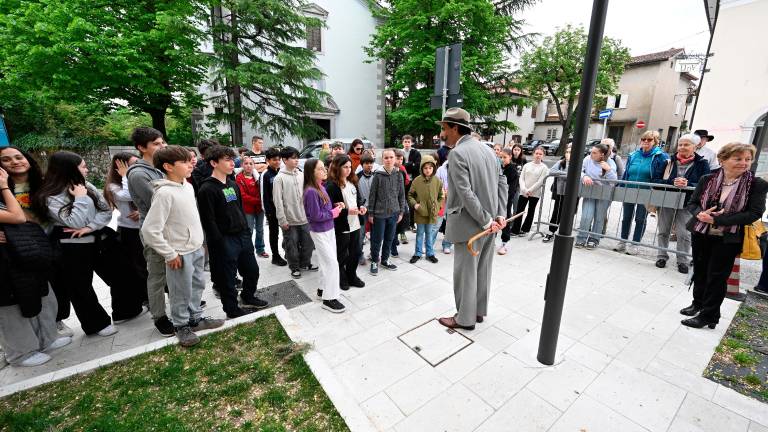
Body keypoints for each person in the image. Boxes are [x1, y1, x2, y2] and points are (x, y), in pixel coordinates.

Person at [37, 152, 147, 336]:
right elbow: (74, 221)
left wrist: (90, 226)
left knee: (124, 272)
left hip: (100, 238)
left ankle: (126, 311)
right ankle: (97, 324)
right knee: (80, 287)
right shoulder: (50, 196)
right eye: (83, 167)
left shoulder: (86, 185)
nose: (86, 170)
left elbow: (105, 211)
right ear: (69, 169)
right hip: (71, 246)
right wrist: (80, 198)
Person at [141, 146, 224, 346]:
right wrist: (169, 254)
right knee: (180, 291)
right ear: (168, 167)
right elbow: (150, 230)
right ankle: (181, 325)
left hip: (195, 249)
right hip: (179, 254)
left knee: (197, 286)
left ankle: (195, 318)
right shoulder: (164, 193)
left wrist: (200, 242)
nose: (191, 164)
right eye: (185, 162)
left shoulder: (186, 186)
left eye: (190, 160)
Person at [681, 142, 768, 329]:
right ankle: (698, 303)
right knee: (701, 270)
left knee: (717, 276)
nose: (744, 163)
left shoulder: (756, 184)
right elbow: (692, 203)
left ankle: (709, 315)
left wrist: (718, 221)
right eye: (738, 158)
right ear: (722, 160)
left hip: (729, 238)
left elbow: (754, 213)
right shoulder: (708, 179)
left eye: (748, 159)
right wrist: (700, 215)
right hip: (701, 232)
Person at [436, 107, 507, 331]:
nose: (442, 133)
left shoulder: (457, 153)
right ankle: (477, 311)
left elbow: (465, 193)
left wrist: (487, 220)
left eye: (444, 128)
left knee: (466, 274)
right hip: (490, 224)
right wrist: (499, 215)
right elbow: (501, 183)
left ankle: (465, 319)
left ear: (455, 128)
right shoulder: (488, 151)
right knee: (482, 270)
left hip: (472, 225)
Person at [0, 166, 71, 367]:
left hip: (21, 254)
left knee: (41, 295)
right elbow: (18, 217)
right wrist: (5, 187)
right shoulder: (4, 191)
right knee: (10, 308)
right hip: (5, 264)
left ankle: (46, 340)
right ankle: (20, 354)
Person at [197, 146, 269, 319]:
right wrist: (219, 242)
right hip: (224, 239)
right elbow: (209, 221)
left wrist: (245, 231)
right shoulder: (207, 189)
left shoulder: (232, 184)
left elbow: (239, 209)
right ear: (214, 163)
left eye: (232, 159)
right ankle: (231, 309)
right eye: (227, 160)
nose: (232, 163)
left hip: (242, 235)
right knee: (227, 278)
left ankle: (248, 296)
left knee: (252, 270)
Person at [126, 127, 174, 336]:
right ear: (141, 147)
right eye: (156, 143)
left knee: (175, 272)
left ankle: (180, 308)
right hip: (155, 231)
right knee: (157, 276)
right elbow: (159, 201)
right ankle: (160, 317)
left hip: (171, 228)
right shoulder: (138, 174)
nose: (162, 146)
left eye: (162, 142)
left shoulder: (158, 168)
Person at [655, 134, 710, 273]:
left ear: (695, 146)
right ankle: (661, 256)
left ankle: (682, 260)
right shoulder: (668, 161)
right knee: (663, 231)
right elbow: (655, 181)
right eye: (680, 144)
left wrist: (689, 184)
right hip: (667, 200)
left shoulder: (702, 163)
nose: (682, 147)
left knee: (684, 233)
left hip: (688, 202)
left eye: (686, 144)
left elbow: (707, 184)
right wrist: (671, 183)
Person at [615, 131, 670, 255]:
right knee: (626, 217)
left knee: (640, 218)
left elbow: (661, 175)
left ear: (655, 142)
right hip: (630, 189)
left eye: (649, 140)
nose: (645, 142)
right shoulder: (633, 154)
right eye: (643, 139)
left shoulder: (660, 156)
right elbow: (627, 173)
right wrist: (622, 187)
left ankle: (635, 244)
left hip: (646, 192)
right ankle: (622, 241)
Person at [303, 158, 346, 313]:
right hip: (320, 231)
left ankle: (322, 290)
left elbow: (323, 208)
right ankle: (330, 299)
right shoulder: (310, 191)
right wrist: (333, 213)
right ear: (311, 172)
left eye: (324, 167)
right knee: (332, 264)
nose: (325, 170)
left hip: (328, 229)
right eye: (320, 168)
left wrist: (335, 206)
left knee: (325, 262)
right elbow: (315, 216)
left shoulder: (320, 186)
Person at [104, 152, 147, 306]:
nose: (136, 167)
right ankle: (146, 298)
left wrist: (141, 212)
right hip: (129, 231)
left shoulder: (141, 178)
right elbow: (128, 195)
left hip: (145, 226)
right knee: (139, 265)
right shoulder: (113, 186)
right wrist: (125, 175)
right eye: (132, 164)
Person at [273, 146, 317, 279]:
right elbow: (277, 201)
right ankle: (295, 267)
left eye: (297, 157)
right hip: (289, 220)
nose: (296, 160)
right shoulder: (279, 178)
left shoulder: (301, 174)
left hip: (304, 217)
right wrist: (282, 220)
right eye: (293, 158)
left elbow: (308, 195)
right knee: (291, 245)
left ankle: (305, 263)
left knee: (308, 244)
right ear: (284, 160)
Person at [326, 155, 366, 290]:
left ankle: (352, 276)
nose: (348, 170)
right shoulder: (331, 186)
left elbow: (359, 198)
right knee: (342, 254)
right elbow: (330, 209)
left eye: (350, 167)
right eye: (345, 167)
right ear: (337, 168)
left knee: (355, 252)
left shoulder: (353, 181)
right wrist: (347, 211)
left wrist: (361, 206)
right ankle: (341, 277)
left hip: (355, 223)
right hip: (342, 225)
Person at [367, 148, 408, 275]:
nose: (389, 160)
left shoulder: (399, 174)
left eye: (391, 157)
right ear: (382, 160)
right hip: (379, 214)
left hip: (394, 213)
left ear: (395, 158)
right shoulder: (378, 176)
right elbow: (372, 196)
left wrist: (401, 212)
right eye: (386, 158)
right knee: (377, 239)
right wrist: (371, 213)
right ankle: (374, 260)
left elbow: (402, 195)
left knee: (389, 238)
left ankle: (385, 259)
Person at [575, 143, 617, 249]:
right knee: (586, 216)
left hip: (603, 194)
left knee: (599, 218)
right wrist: (584, 176)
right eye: (591, 152)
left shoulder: (610, 163)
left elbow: (614, 181)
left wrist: (608, 170)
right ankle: (581, 238)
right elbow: (578, 170)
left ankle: (594, 239)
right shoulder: (587, 159)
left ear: (602, 155)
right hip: (590, 193)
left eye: (594, 153)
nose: (591, 154)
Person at [407, 155, 443, 263]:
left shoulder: (437, 181)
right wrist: (415, 205)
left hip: (432, 213)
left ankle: (430, 253)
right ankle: (417, 253)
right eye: (425, 168)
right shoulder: (417, 181)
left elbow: (441, 196)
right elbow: (410, 195)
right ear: (422, 168)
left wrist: (438, 205)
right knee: (419, 234)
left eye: (430, 168)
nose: (428, 170)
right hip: (420, 213)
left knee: (429, 234)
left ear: (434, 168)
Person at [510, 146, 548, 236]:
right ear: (533, 154)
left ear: (543, 156)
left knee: (531, 211)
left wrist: (530, 190)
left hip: (535, 193)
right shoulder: (527, 165)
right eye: (536, 153)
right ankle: (515, 230)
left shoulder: (544, 168)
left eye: (540, 154)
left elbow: (540, 181)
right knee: (519, 210)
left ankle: (525, 229)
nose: (538, 155)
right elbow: (521, 178)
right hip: (523, 191)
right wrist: (524, 189)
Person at [236, 156, 268, 258]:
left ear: (254, 165)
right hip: (248, 209)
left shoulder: (258, 177)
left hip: (259, 208)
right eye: (246, 163)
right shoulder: (239, 178)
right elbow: (243, 196)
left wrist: (261, 202)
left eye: (251, 163)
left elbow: (262, 191)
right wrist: (259, 200)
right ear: (241, 165)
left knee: (260, 230)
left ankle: (260, 249)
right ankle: (248, 250)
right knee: (249, 230)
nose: (249, 166)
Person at [261, 147, 287, 266]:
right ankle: (275, 256)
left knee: (286, 231)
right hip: (272, 210)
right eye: (274, 160)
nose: (277, 162)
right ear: (268, 160)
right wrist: (268, 211)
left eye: (279, 160)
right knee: (274, 233)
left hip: (283, 209)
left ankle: (288, 251)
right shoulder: (265, 175)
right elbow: (263, 195)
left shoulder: (280, 172)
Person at [543, 144, 571, 242]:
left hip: (572, 193)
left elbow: (579, 174)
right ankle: (551, 231)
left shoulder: (578, 163)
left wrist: (561, 174)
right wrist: (567, 174)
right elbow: (552, 171)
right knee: (556, 211)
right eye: (567, 152)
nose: (568, 154)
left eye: (570, 152)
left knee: (569, 213)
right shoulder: (561, 162)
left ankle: (564, 233)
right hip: (560, 191)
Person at [498, 148, 519, 255]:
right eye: (500, 157)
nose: (502, 159)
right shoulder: (498, 167)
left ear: (510, 157)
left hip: (506, 199)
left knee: (505, 219)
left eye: (504, 157)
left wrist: (504, 199)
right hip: (496, 198)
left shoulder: (512, 170)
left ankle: (504, 243)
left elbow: (512, 188)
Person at [357, 153, 375, 264]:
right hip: (362, 210)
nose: (369, 165)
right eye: (366, 163)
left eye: (371, 163)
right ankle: (359, 255)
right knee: (361, 234)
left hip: (374, 209)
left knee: (375, 233)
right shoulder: (356, 177)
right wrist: (360, 205)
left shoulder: (376, 176)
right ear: (362, 164)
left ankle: (373, 253)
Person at [402, 135, 421, 231]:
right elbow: (400, 166)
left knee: (413, 202)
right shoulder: (399, 153)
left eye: (408, 142)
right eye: (405, 141)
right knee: (403, 202)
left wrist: (406, 165)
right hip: (402, 181)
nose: (407, 144)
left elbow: (417, 166)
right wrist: (410, 164)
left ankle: (413, 223)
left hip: (413, 181)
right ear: (402, 142)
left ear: (412, 143)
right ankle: (404, 225)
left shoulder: (416, 153)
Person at [392, 149, 410, 249]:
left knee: (404, 215)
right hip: (392, 201)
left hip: (401, 198)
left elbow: (405, 186)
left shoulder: (402, 171)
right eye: (398, 159)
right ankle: (393, 242)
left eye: (401, 159)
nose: (400, 161)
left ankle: (401, 233)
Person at [436, 159, 453, 254]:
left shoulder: (461, 167)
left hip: (454, 200)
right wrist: (443, 191)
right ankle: (429, 244)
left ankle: (447, 245)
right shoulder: (441, 169)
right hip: (442, 201)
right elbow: (436, 183)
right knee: (436, 224)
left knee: (451, 224)